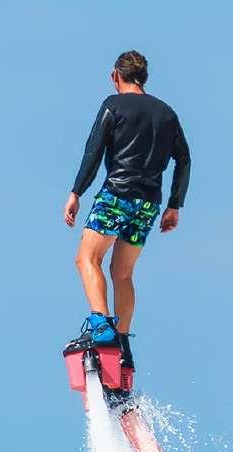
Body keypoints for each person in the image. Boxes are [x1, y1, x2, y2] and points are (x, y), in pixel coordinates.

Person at [64, 50, 190, 349]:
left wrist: (76, 193)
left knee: (86, 258)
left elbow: (93, 151)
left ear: (115, 75)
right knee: (123, 272)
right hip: (148, 203)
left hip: (117, 195)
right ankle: (122, 344)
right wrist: (174, 204)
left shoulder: (114, 105)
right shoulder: (167, 113)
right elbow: (184, 159)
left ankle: (101, 324)